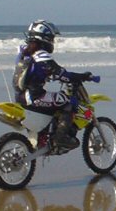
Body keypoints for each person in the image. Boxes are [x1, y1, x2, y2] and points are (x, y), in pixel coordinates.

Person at [13, 20, 93, 150]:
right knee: (69, 102)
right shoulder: (40, 55)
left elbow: (37, 71)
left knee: (56, 102)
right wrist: (82, 76)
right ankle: (60, 138)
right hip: (35, 97)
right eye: (51, 38)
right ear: (44, 38)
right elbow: (60, 73)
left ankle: (45, 133)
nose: (52, 41)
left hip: (20, 96)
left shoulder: (23, 52)